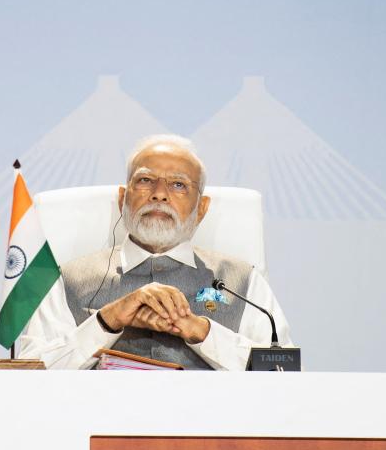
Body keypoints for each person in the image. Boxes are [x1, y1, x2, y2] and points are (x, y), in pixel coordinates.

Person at [16, 134, 290, 370]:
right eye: (145, 180)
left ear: (202, 209)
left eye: (178, 185)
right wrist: (105, 322)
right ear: (123, 199)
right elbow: (27, 373)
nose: (159, 194)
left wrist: (202, 332)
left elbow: (282, 371)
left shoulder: (240, 281)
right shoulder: (68, 278)